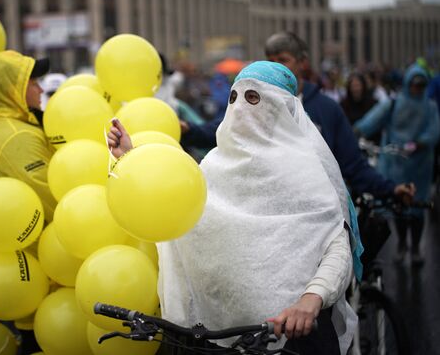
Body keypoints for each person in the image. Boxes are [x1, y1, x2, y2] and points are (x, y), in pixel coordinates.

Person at [108, 61, 358, 355]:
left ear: (282, 107)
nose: (240, 107)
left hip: (292, 340)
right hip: (214, 340)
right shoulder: (214, 166)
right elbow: (178, 206)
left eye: (253, 98)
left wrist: (311, 300)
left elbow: (337, 247)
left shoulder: (307, 173)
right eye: (233, 97)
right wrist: (130, 157)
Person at [264, 32, 414, 200]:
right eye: (270, 61)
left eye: (283, 60)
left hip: (319, 210)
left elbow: (352, 164)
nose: (275, 67)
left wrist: (391, 189)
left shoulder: (327, 109)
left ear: (303, 63)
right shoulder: (258, 106)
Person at [0, 51, 56, 354]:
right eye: (32, 81)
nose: (40, 88)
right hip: (42, 269)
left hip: (37, 269)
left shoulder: (15, 126)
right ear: (12, 89)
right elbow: (50, 199)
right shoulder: (15, 138)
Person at [355, 64, 440, 265]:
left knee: (418, 207)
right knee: (400, 205)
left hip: (420, 165)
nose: (417, 90)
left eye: (421, 86)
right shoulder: (394, 103)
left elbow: (435, 130)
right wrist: (354, 132)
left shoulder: (430, 106)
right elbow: (372, 121)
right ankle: (402, 244)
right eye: (414, 85)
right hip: (395, 163)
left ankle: (416, 247)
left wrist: (421, 142)